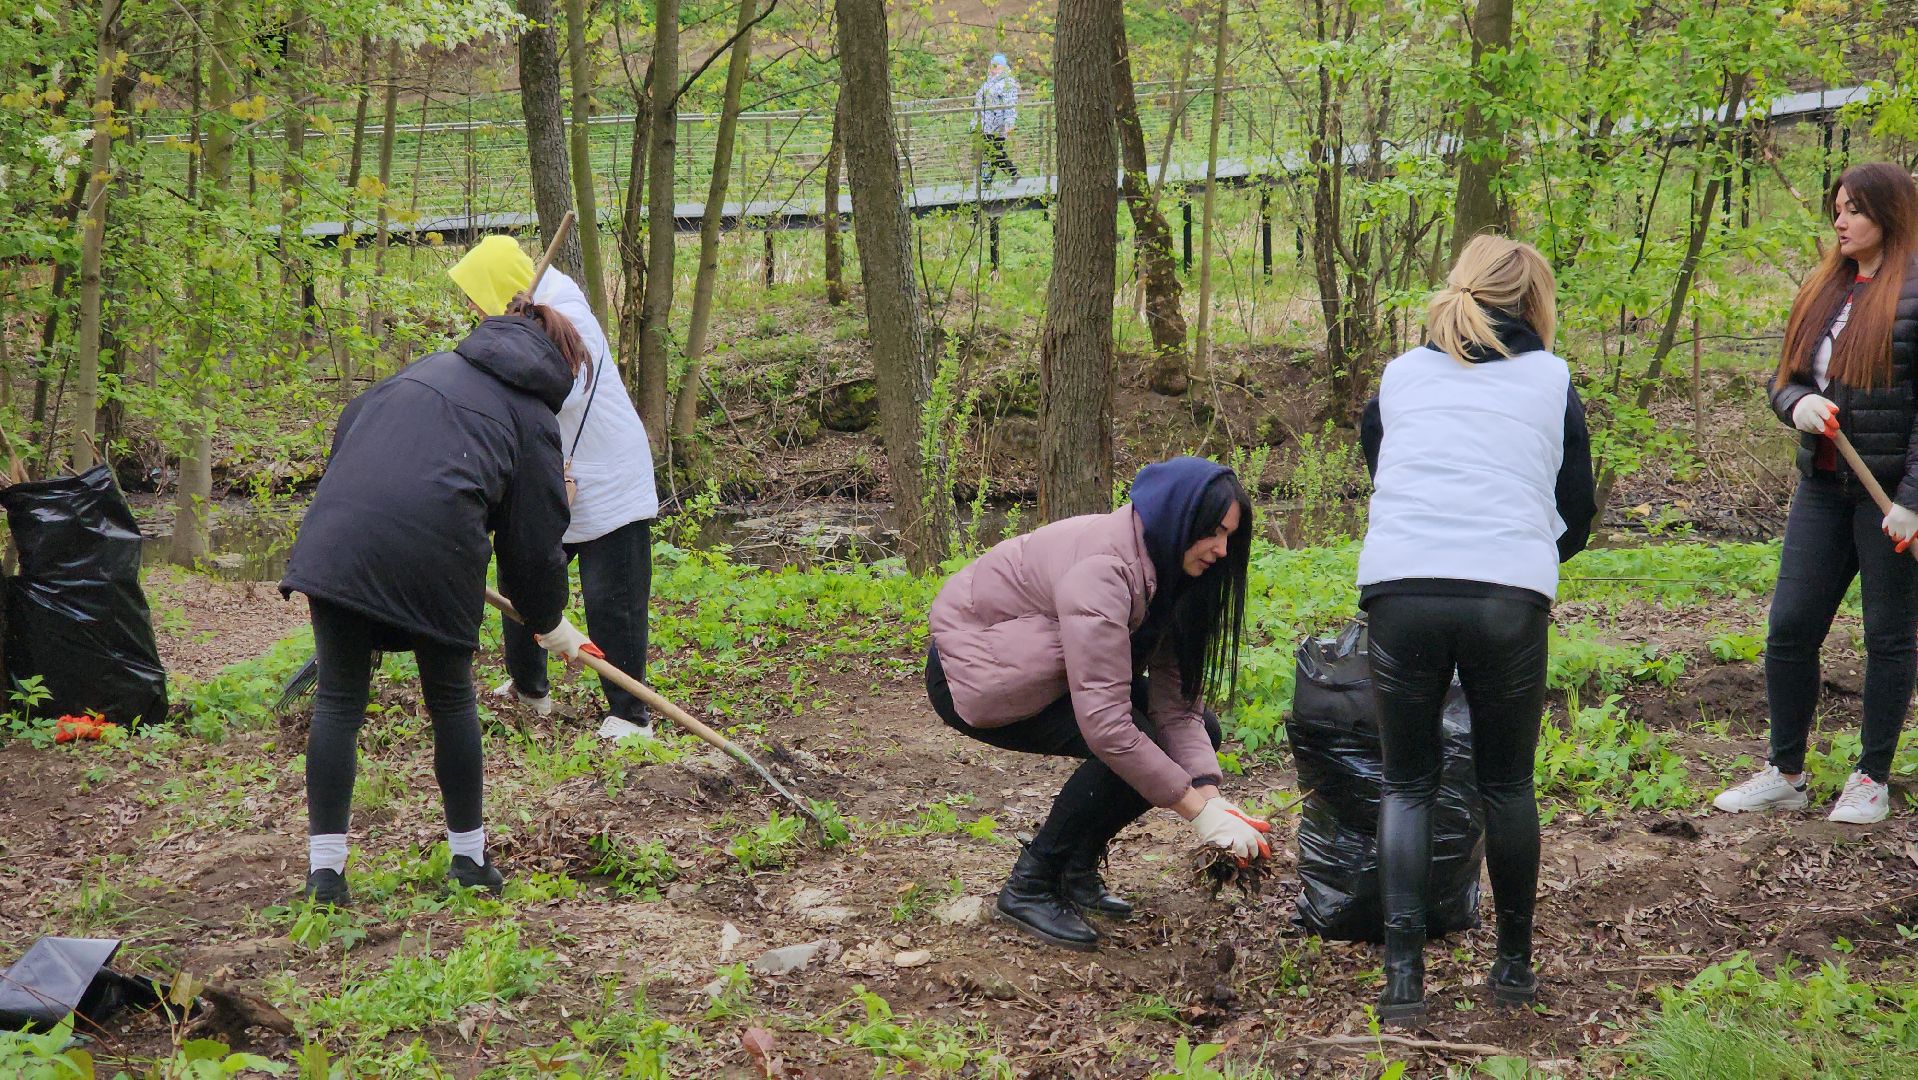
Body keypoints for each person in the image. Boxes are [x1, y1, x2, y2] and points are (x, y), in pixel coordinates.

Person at [280, 296, 598, 906]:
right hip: (433, 553)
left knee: (340, 699)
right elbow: (532, 547)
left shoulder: (418, 373)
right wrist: (549, 620)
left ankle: (326, 876)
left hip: (335, 544)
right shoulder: (529, 416)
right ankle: (469, 860)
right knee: (451, 699)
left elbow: (353, 447)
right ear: (557, 363)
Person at [1357, 234, 1596, 1023]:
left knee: (1407, 781)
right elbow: (1579, 506)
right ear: (1535, 303)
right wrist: (1525, 554)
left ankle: (1402, 983)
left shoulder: (1397, 375)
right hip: (1506, 593)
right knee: (1506, 783)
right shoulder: (1553, 379)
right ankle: (1514, 969)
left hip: (1401, 586)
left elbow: (1384, 465)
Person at [926, 456, 1270, 951]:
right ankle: (1032, 884)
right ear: (1179, 518)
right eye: (1212, 532)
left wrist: (1213, 798)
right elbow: (1108, 727)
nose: (1220, 549)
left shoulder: (1176, 572)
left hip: (1053, 670)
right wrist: (1197, 814)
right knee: (1129, 741)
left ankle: (1075, 868)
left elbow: (1180, 708)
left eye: (1229, 537)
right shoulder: (1105, 570)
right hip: (976, 674)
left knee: (1198, 734)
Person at [1715, 163, 1918, 826]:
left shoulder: (1914, 290)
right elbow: (1785, 377)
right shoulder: (1824, 284)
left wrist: (1912, 499)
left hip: (1888, 494)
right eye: (1836, 208)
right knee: (1790, 627)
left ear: (1888, 213)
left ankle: (1871, 777)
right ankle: (1786, 772)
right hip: (1824, 486)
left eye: (1854, 210)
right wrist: (1796, 403)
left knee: (1888, 636)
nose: (1840, 221)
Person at [448, 236, 661, 741]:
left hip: (608, 478)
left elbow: (556, 391)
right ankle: (528, 688)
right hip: (550, 476)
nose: (472, 308)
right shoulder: (519, 322)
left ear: (499, 288)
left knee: (614, 599)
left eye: (476, 296)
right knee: (526, 576)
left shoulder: (567, 322)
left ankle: (630, 714)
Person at [973, 53, 1020, 187]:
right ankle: (1008, 174)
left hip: (998, 124)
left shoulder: (1007, 83)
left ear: (1003, 67)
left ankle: (992, 178)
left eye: (996, 66)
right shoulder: (989, 81)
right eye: (991, 65)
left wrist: (1009, 123)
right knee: (992, 151)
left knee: (995, 151)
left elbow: (1010, 104)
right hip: (985, 123)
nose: (992, 68)